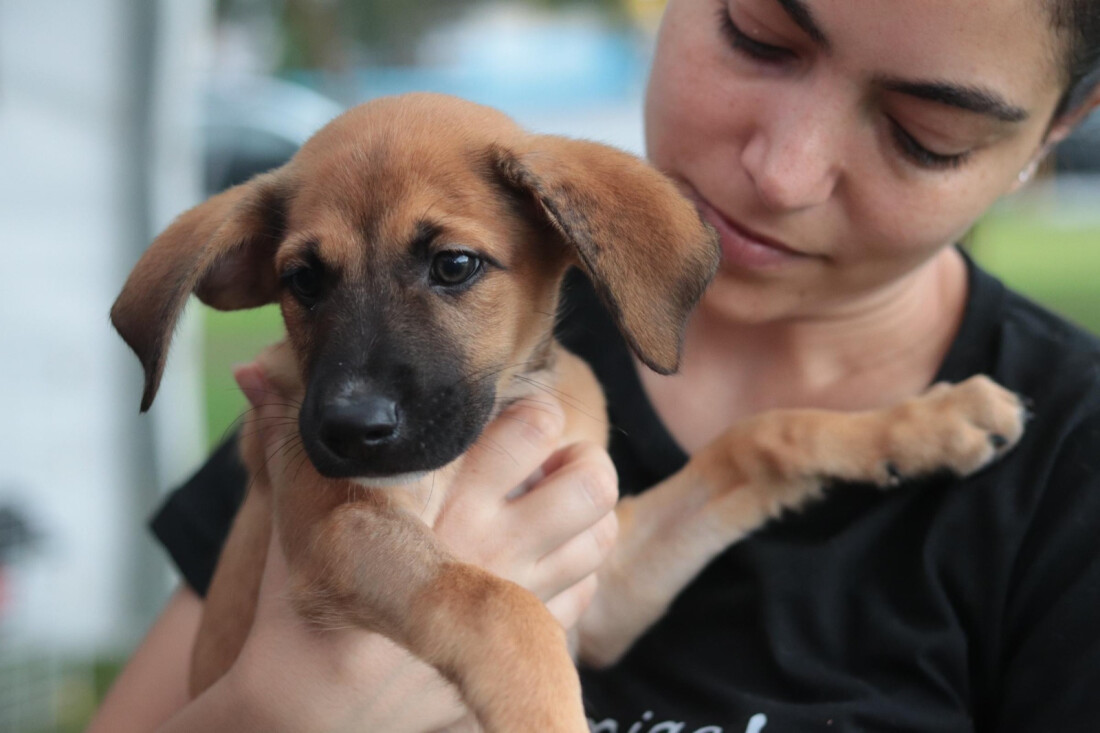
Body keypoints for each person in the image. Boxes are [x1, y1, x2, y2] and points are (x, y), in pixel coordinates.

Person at [90, 0, 1100, 730]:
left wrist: (780, 454)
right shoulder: (295, 406)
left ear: (1054, 132)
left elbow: (592, 599)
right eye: (757, 36)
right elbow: (383, 558)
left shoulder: (1067, 477)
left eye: (925, 134)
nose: (781, 172)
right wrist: (277, 711)